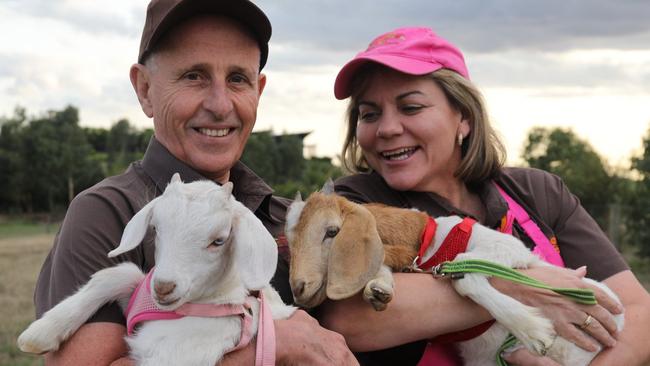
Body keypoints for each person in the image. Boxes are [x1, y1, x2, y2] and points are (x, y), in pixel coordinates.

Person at [32, 1, 358, 365]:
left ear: (259, 90)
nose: (220, 105)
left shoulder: (286, 216)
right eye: (193, 76)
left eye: (238, 78)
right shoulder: (107, 212)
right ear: (144, 89)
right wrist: (271, 345)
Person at [319, 26, 650, 365]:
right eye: (369, 114)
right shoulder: (353, 204)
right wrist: (518, 284)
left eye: (411, 107)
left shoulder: (536, 192)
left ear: (463, 117)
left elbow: (640, 314)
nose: (386, 128)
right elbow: (349, 318)